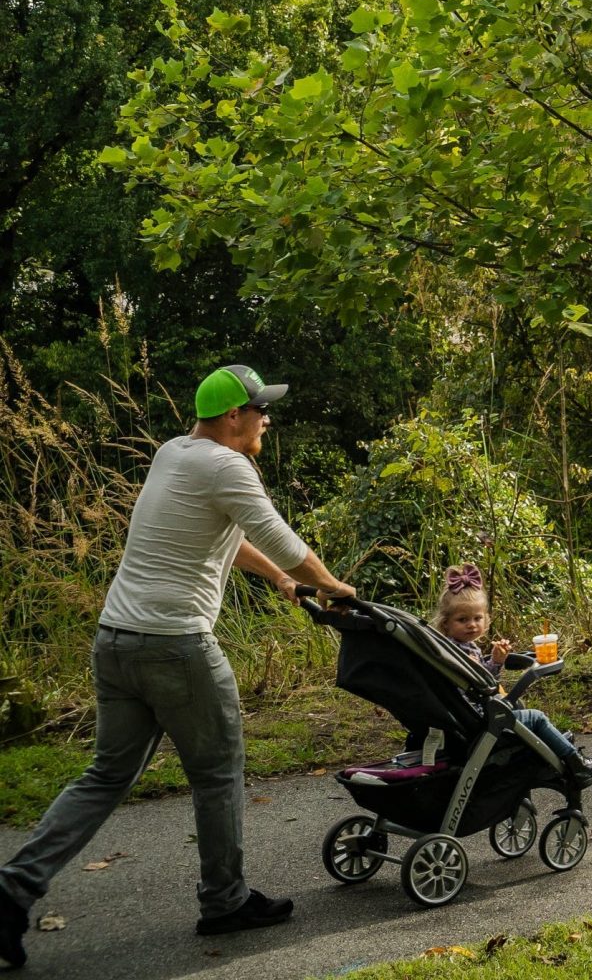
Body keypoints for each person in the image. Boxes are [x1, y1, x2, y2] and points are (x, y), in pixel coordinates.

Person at [0, 367, 355, 970]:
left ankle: (11, 889)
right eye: (260, 409)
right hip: (176, 646)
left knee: (107, 775)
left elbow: (223, 537)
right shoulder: (227, 465)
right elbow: (279, 536)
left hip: (116, 642)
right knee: (218, 773)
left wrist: (276, 578)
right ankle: (225, 900)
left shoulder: (175, 454)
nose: (268, 418)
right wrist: (332, 585)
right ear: (232, 416)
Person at [426, 567, 592, 783]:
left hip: (472, 716)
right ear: (446, 623)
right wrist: (486, 666)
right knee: (536, 717)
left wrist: (495, 660)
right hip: (479, 720)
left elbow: (483, 678)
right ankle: (576, 763)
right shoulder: (456, 652)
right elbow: (483, 683)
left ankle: (554, 744)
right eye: (462, 620)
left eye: (477, 618)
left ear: (487, 619)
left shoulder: (458, 647)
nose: (472, 625)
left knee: (520, 708)